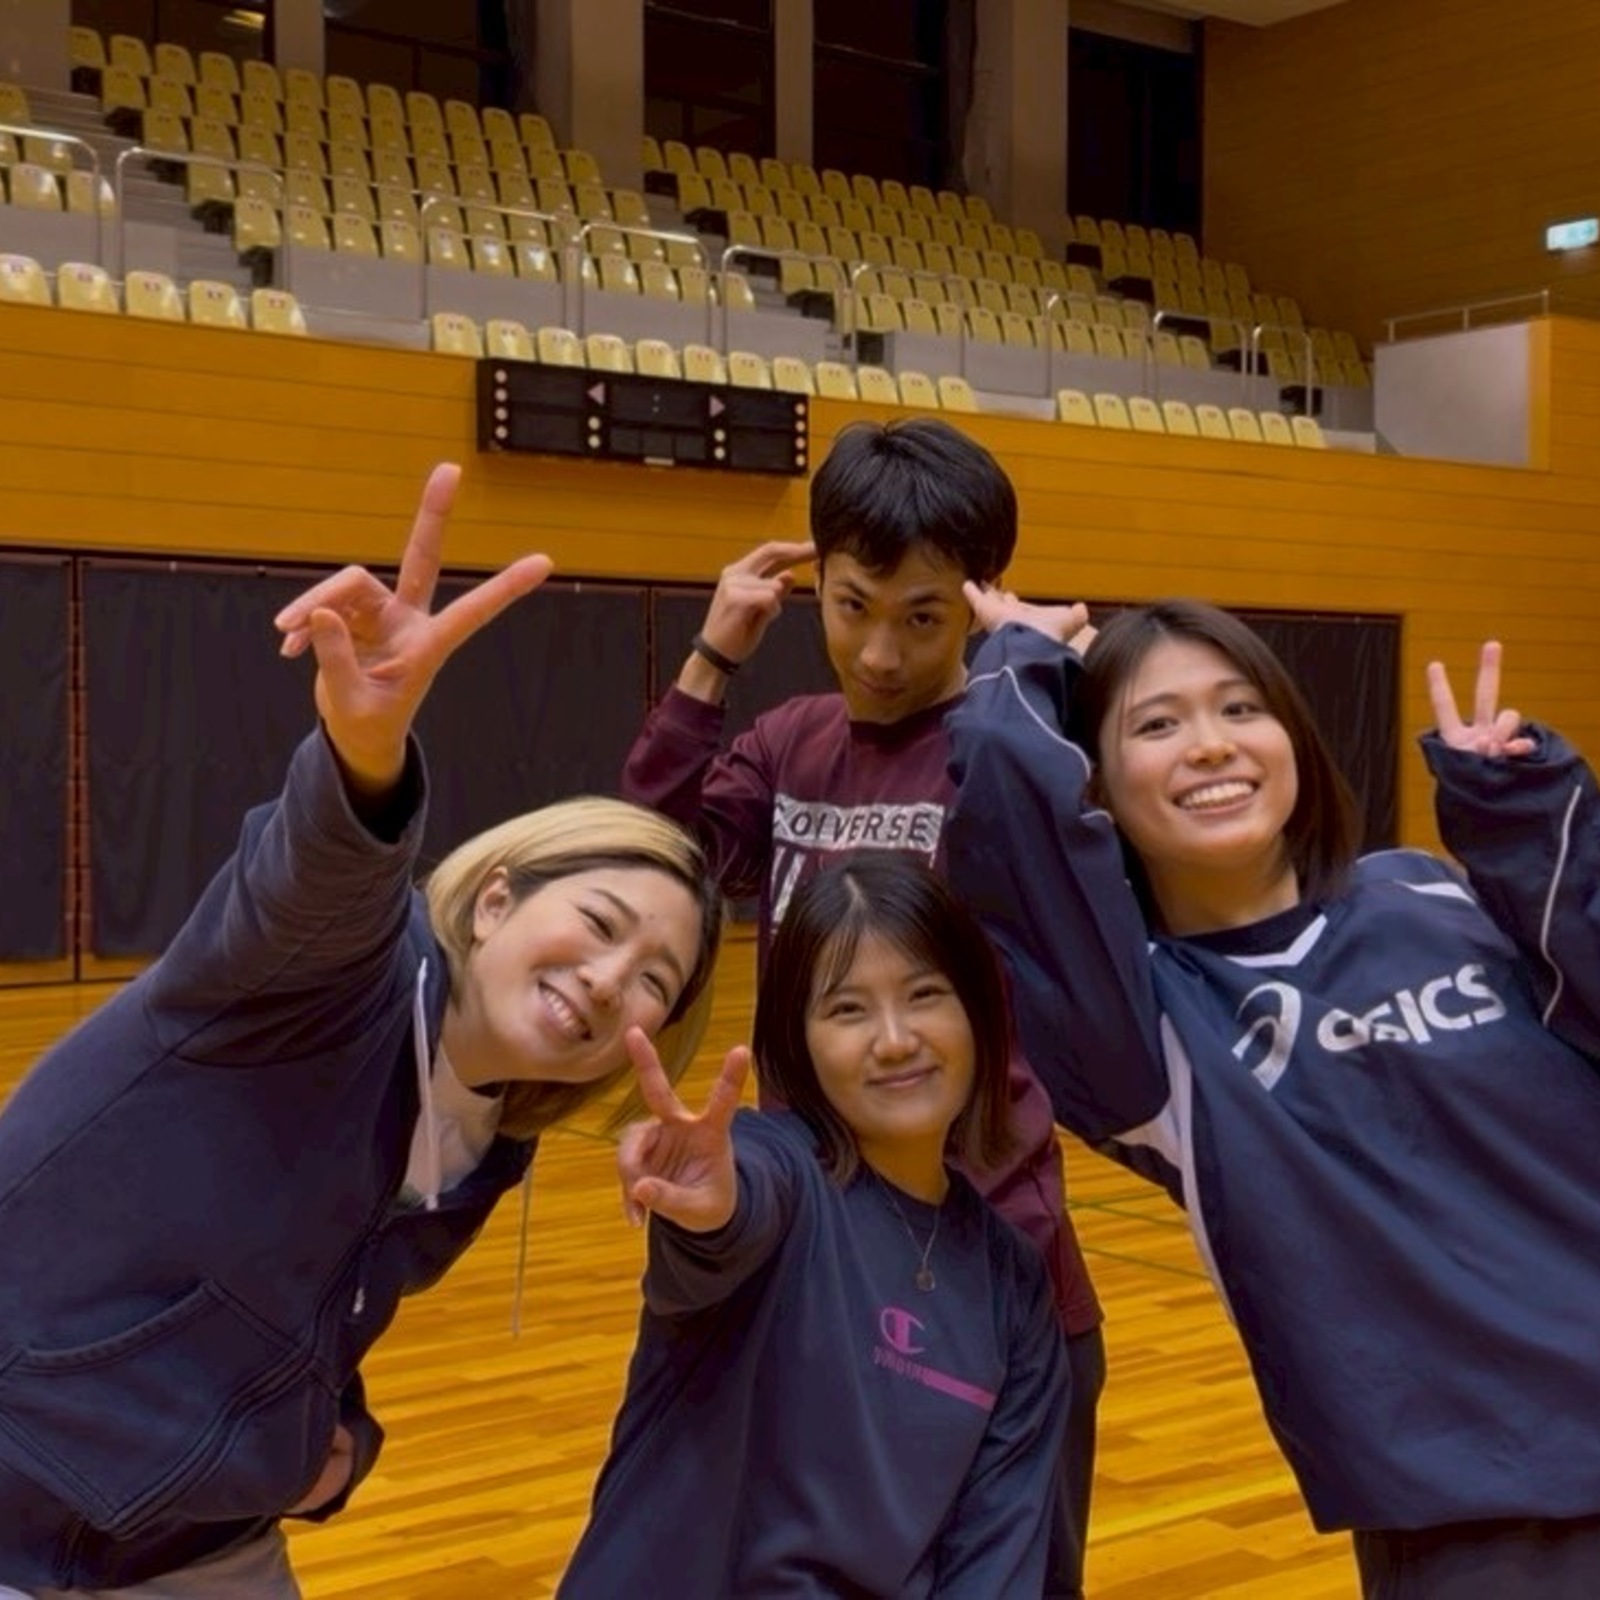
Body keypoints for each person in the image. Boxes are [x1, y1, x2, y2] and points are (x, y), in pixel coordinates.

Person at [0, 464, 723, 1599]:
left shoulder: (492, 1134)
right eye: (597, 922)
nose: (608, 978)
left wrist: (337, 1448)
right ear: (494, 902)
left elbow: (321, 1306)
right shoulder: (325, 979)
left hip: (199, 1541)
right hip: (25, 1503)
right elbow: (315, 875)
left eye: (654, 980)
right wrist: (363, 756)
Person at [945, 591, 1600, 1599]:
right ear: (1098, 787)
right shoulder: (1142, 1035)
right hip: (1482, 1512)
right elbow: (1005, 833)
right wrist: (1017, 659)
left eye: (1240, 707)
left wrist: (1521, 816)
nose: (1209, 744)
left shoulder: (1426, 890)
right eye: (1155, 725)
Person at [621, 417, 1104, 1597]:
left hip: (995, 1254)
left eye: (923, 617)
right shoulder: (791, 742)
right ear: (816, 588)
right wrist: (709, 661)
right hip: (821, 1256)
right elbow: (653, 864)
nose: (881, 652)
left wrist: (1027, 688)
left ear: (981, 602)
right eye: (851, 607)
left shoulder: (1011, 748)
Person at [558, 853, 1069, 1598]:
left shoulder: (1013, 1289)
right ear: (799, 1039)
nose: (894, 1040)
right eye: (847, 1009)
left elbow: (993, 1560)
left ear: (980, 1015)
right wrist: (711, 1209)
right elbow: (731, 1222)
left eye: (924, 995)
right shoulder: (781, 1171)